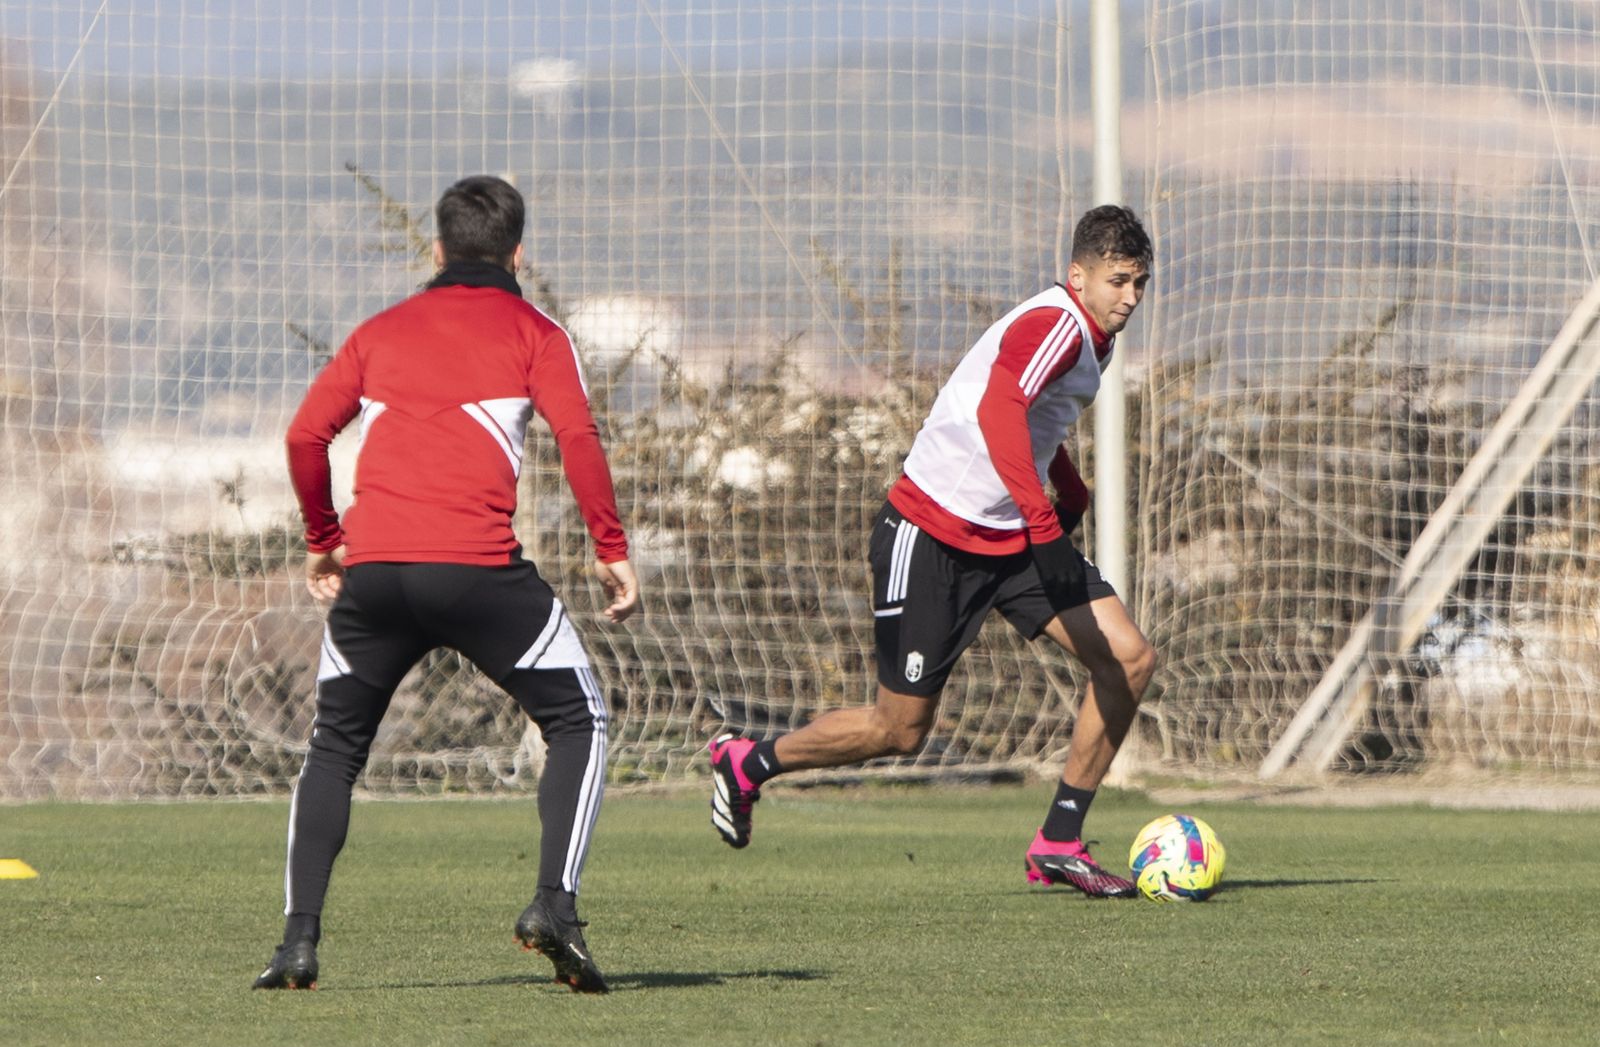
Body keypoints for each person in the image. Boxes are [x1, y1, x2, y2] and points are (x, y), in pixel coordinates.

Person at [254, 175, 639, 993]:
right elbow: (578, 436)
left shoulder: (380, 331)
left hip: (374, 576)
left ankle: (296, 943)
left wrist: (324, 540)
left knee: (334, 748)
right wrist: (611, 546)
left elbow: (304, 436)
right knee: (579, 717)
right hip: (477, 572)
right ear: (518, 255)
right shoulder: (537, 333)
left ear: (436, 250)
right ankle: (555, 906)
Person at [709, 205, 1155, 897]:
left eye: (1139, 284)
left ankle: (1059, 841)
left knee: (1128, 659)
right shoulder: (1057, 325)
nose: (1129, 297)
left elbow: (1038, 418)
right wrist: (1046, 522)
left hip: (1009, 541)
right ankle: (748, 763)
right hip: (933, 536)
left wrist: (1068, 491)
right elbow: (999, 408)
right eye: (1117, 281)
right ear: (1078, 276)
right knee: (898, 729)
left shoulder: (1093, 336)